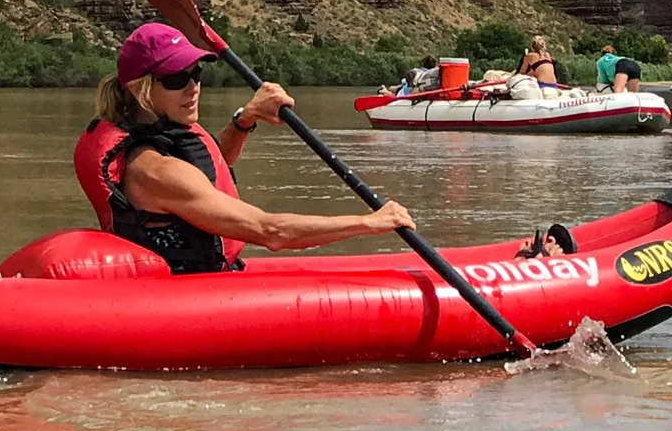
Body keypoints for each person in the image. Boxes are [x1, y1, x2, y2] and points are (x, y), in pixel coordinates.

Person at [73, 23, 416, 274]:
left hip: (206, 278)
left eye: (196, 74)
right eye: (176, 79)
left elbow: (209, 166)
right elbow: (271, 232)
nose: (192, 88)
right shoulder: (154, 171)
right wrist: (369, 223)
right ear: (140, 89)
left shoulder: (159, 138)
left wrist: (245, 119)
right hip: (186, 295)